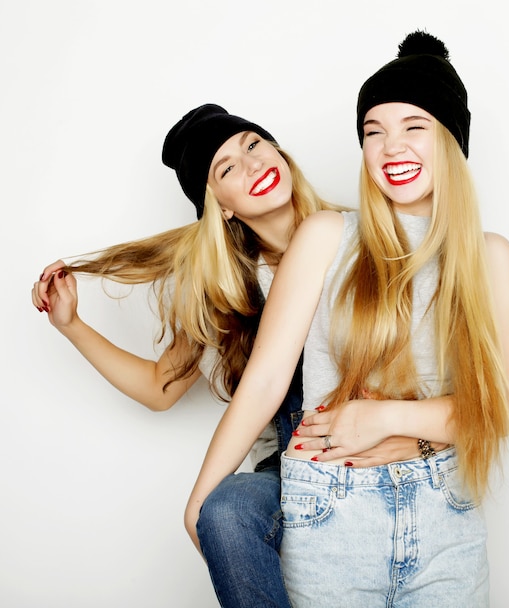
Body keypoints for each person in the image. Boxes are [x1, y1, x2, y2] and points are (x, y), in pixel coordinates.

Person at [185, 29, 509, 607]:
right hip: (329, 511)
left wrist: (382, 418)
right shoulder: (326, 237)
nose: (391, 147)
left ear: (450, 140)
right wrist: (200, 504)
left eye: (413, 127)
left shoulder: (491, 257)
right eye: (374, 132)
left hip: (446, 512)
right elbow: (268, 380)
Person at [31, 103, 405, 608]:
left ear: (280, 154)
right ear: (221, 206)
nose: (251, 164)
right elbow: (161, 388)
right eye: (226, 167)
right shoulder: (228, 290)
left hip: (384, 444)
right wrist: (72, 326)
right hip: (292, 468)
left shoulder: (367, 235)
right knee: (225, 510)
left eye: (254, 144)